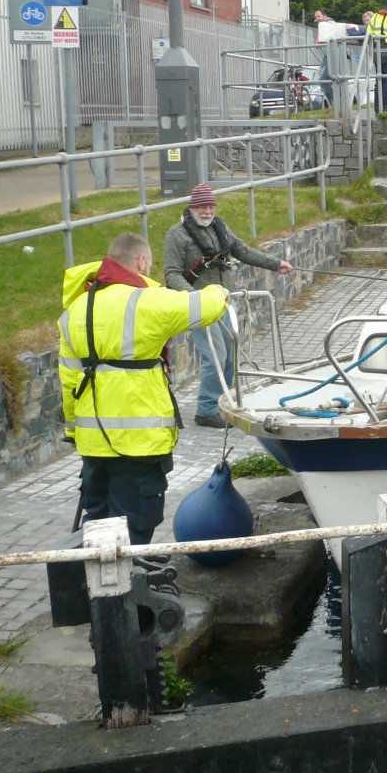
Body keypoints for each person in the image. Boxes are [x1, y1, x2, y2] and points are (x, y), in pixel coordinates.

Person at [59, 232, 229, 545]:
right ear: (141, 261)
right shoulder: (147, 301)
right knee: (135, 523)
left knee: (98, 521)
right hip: (139, 443)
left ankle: (100, 575)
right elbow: (205, 308)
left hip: (93, 442)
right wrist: (219, 290)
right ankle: (131, 574)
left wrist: (74, 431)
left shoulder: (75, 309)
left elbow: (69, 379)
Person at [163, 185, 294, 428]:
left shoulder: (219, 227)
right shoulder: (177, 234)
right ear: (192, 208)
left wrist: (276, 264)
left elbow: (243, 251)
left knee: (231, 356)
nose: (207, 211)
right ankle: (206, 410)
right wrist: (195, 298)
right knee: (216, 357)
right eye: (202, 207)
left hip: (225, 301)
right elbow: (171, 274)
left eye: (211, 206)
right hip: (200, 306)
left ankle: (224, 404)